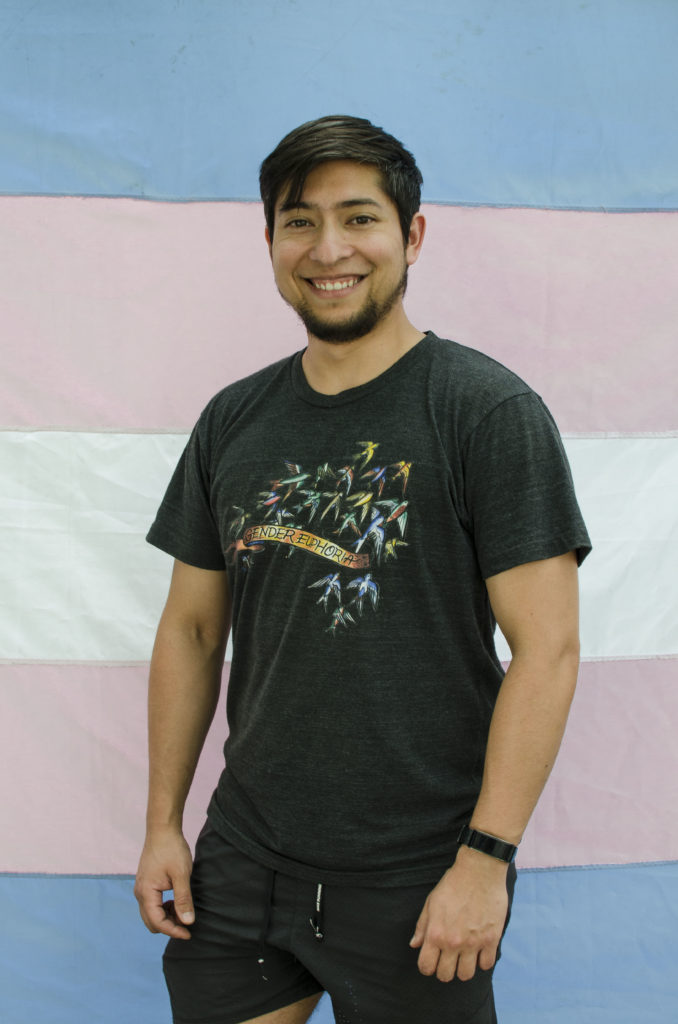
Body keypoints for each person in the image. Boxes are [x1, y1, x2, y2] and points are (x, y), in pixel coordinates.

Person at [135, 114, 591, 1024]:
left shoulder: (485, 411)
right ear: (270, 241)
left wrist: (485, 861)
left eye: (359, 218)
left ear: (412, 235)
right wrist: (162, 825)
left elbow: (548, 650)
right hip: (245, 855)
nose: (328, 249)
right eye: (299, 222)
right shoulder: (233, 419)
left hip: (416, 874)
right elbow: (191, 629)